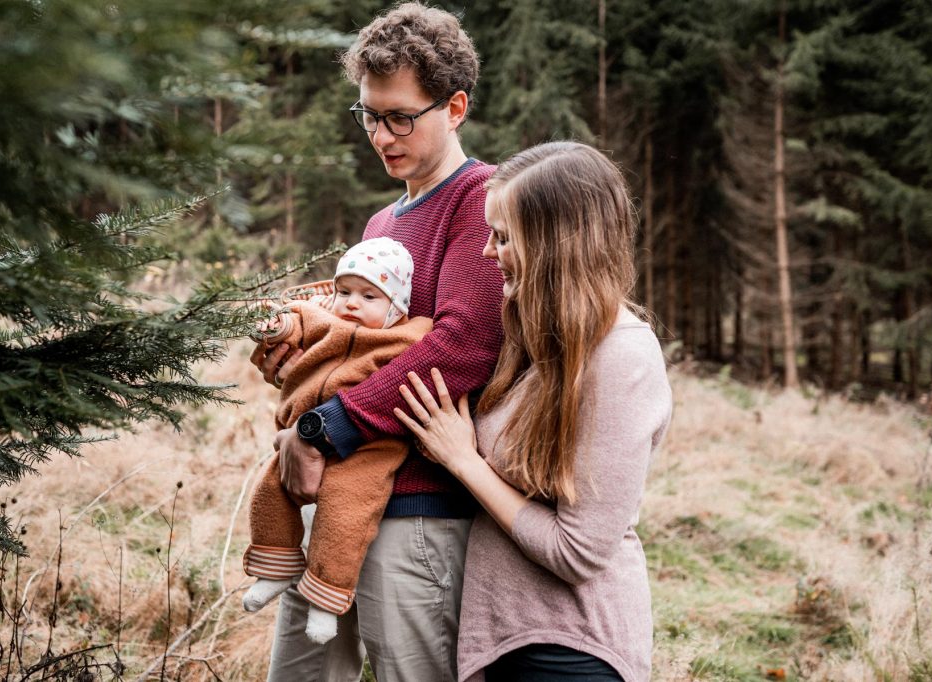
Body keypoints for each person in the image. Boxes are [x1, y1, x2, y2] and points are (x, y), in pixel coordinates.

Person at [249, 4, 504, 681]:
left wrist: (324, 425)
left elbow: (462, 346)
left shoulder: (484, 198)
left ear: (454, 107)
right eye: (368, 114)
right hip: (331, 501)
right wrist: (295, 349)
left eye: (399, 117)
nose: (380, 135)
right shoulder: (382, 220)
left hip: (417, 511)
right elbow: (357, 341)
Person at [395, 141, 673, 682]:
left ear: (555, 244)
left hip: (571, 650)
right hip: (512, 640)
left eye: (502, 237)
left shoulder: (623, 357)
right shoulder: (534, 342)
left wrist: (464, 461)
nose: (486, 252)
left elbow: (578, 552)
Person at [242, 238, 430, 644]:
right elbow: (297, 316)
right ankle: (275, 566)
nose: (351, 303)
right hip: (302, 434)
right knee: (270, 491)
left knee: (345, 514)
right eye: (344, 291)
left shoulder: (403, 338)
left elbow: (436, 352)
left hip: (369, 449)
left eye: (368, 296)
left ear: (396, 307)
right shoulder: (328, 321)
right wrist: (277, 326)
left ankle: (327, 598)